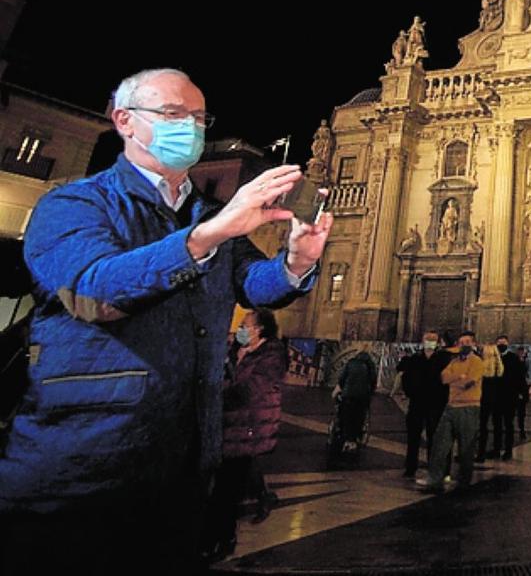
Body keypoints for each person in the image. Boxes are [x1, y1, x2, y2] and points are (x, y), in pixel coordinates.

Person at [0, 68, 331, 571]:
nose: (192, 130)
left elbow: (254, 284)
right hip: (78, 470)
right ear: (124, 121)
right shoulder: (74, 203)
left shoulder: (206, 214)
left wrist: (297, 262)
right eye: (175, 115)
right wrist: (207, 236)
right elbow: (93, 291)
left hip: (183, 470)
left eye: (199, 118)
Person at [202, 308, 288, 561]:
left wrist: (216, 396)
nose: (240, 328)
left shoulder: (272, 355)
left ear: (259, 328)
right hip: (225, 426)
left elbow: (251, 389)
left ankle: (218, 539)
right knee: (219, 485)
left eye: (245, 325)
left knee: (225, 490)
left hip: (248, 429)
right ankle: (259, 494)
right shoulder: (234, 351)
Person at [421, 331, 484, 493]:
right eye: (461, 342)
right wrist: (459, 376)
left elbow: (468, 382)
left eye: (467, 342)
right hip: (451, 406)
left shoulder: (477, 362)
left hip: (469, 407)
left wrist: (456, 378)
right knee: (439, 444)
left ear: (473, 344)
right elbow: (443, 378)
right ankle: (434, 478)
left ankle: (464, 482)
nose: (464, 345)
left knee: (466, 448)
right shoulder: (454, 361)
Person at [394, 329, 449, 478]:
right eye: (427, 339)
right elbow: (406, 378)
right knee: (413, 437)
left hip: (435, 404)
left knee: (434, 437)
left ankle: (433, 467)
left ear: (438, 343)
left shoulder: (443, 360)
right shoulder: (415, 359)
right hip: (417, 402)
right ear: (422, 341)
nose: (430, 341)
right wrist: (410, 392)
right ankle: (410, 467)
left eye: (433, 339)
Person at [334, 350, 377, 451]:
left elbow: (342, 379)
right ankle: (354, 439)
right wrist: (370, 394)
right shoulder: (370, 366)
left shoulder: (351, 363)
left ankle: (343, 435)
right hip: (362, 397)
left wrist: (339, 391)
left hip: (348, 395)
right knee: (358, 417)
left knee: (345, 415)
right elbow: (373, 382)